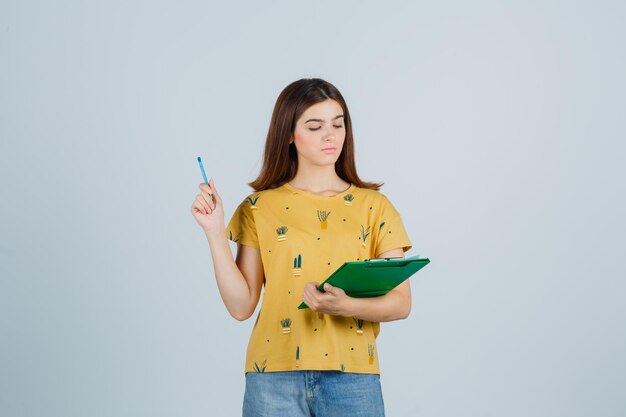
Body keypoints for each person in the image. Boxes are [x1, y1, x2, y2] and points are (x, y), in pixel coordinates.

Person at [191, 78, 413, 417]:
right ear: (289, 134)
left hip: (352, 377)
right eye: (315, 125)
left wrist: (345, 305)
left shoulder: (374, 207)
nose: (331, 135)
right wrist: (214, 232)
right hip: (272, 378)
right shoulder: (258, 207)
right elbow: (241, 306)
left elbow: (401, 303)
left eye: (338, 124)